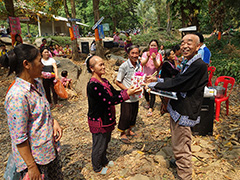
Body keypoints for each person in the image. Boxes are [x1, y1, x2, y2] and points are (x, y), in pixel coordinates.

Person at [146, 34, 208, 180]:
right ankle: (180, 162)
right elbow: (178, 79)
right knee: (178, 140)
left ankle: (184, 175)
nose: (185, 45)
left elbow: (180, 83)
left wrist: (155, 84)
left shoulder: (198, 65)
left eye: (189, 42)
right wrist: (158, 79)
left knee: (182, 144)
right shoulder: (189, 62)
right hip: (178, 108)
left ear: (198, 46)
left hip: (185, 110)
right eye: (182, 42)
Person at [2, 44, 63, 179]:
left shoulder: (37, 84)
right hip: (36, 161)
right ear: (26, 64)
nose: (42, 64)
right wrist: (31, 166)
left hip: (48, 152)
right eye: (39, 60)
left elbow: (41, 113)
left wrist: (53, 122)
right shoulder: (18, 95)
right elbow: (19, 137)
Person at [86, 55, 140, 175]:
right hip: (99, 120)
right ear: (92, 68)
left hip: (106, 118)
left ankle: (103, 160)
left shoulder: (104, 81)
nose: (104, 66)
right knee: (99, 144)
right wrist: (127, 94)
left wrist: (127, 91)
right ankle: (97, 167)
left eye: (103, 64)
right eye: (100, 65)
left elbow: (114, 93)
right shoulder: (93, 85)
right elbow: (109, 100)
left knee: (106, 141)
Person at [116, 45, 142, 144]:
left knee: (133, 114)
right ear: (128, 54)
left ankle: (129, 130)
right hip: (127, 96)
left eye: (137, 53)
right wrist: (127, 91)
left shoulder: (138, 65)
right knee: (125, 115)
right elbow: (118, 81)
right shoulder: (124, 66)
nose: (135, 55)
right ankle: (122, 133)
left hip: (136, 96)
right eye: (133, 53)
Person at [141, 39, 162, 116]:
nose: (153, 47)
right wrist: (147, 57)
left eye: (155, 45)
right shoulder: (144, 54)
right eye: (151, 45)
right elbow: (142, 63)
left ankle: (150, 108)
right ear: (149, 46)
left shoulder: (158, 55)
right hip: (145, 76)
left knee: (152, 92)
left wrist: (153, 59)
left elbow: (157, 65)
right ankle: (148, 102)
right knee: (146, 92)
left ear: (157, 47)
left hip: (153, 77)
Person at [159, 49, 180, 115]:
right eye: (172, 54)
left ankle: (166, 108)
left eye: (174, 54)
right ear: (168, 57)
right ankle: (164, 109)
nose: (174, 55)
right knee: (166, 97)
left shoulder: (172, 62)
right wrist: (179, 69)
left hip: (169, 81)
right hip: (165, 82)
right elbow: (173, 72)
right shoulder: (166, 64)